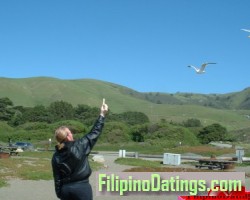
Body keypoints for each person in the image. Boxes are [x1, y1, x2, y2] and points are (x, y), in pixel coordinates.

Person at [51, 99, 108, 200]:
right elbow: (94, 133)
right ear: (68, 136)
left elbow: (57, 178)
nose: (72, 133)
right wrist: (102, 114)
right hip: (82, 188)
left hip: (65, 190)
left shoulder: (56, 156)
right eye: (70, 132)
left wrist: (60, 193)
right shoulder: (79, 146)